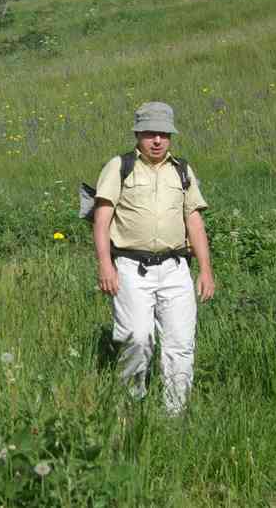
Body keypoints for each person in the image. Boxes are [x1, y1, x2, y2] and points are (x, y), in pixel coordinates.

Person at [93, 101, 216, 415]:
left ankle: (175, 414)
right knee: (137, 337)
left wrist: (205, 270)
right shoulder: (119, 167)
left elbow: (195, 221)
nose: (158, 140)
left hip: (176, 269)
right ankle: (130, 404)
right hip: (131, 268)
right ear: (138, 134)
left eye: (164, 134)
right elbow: (102, 219)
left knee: (180, 343)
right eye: (150, 134)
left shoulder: (182, 170)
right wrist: (105, 264)